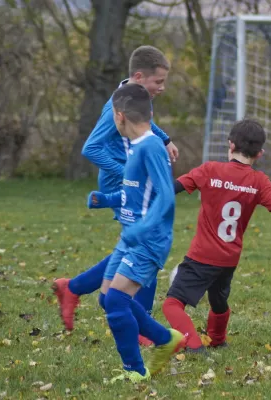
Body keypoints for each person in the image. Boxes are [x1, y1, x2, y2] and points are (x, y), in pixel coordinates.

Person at [162, 119, 271, 353]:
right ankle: (218, 339)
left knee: (172, 304)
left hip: (202, 255)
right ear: (260, 153)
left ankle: (195, 346)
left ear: (230, 144)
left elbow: (171, 189)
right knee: (218, 301)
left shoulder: (209, 170)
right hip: (229, 258)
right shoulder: (258, 182)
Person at [53, 46, 179, 347]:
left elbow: (144, 119)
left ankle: (74, 287)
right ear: (138, 77)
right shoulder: (114, 109)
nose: (161, 88)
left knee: (140, 247)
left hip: (132, 180)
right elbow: (91, 148)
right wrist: (128, 170)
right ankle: (138, 324)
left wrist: (165, 138)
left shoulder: (133, 95)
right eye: (158, 82)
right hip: (123, 183)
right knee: (145, 247)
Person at [87, 83, 182, 382]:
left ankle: (135, 371)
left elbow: (165, 197)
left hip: (147, 240)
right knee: (107, 299)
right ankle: (166, 339)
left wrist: (140, 229)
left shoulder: (151, 147)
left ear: (118, 116)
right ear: (149, 113)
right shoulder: (137, 147)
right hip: (132, 237)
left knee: (116, 302)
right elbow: (136, 194)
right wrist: (107, 200)